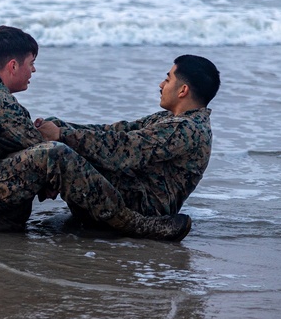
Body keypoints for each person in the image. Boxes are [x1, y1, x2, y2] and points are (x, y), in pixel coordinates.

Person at [0, 25, 192, 240]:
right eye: (31, 63)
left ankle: (109, 214)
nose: (34, 70)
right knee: (56, 154)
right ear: (13, 65)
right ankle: (133, 223)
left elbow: (26, 148)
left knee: (52, 147)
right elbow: (43, 151)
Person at [35, 55, 218, 221]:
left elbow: (122, 149)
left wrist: (62, 135)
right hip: (131, 191)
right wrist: (61, 127)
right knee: (55, 127)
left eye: (168, 79)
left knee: (60, 155)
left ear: (183, 90)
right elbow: (117, 131)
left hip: (144, 207)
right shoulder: (169, 119)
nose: (161, 85)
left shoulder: (186, 129)